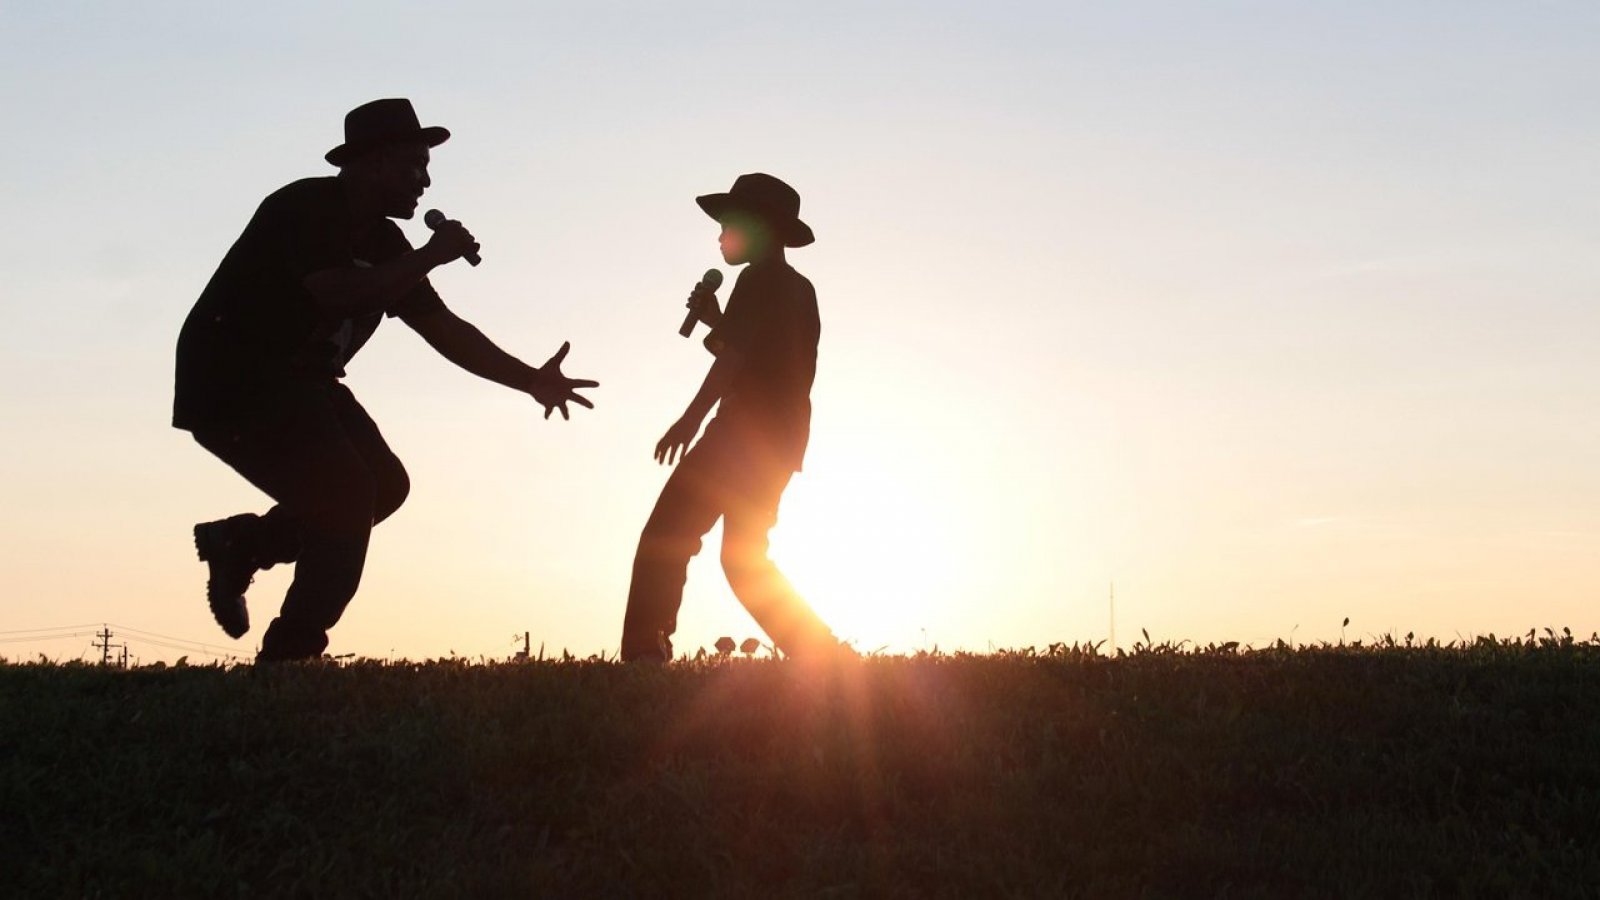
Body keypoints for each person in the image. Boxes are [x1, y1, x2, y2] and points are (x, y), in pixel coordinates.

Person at [173, 98, 597, 661]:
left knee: (383, 486)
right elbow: (335, 289)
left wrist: (531, 381)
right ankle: (291, 655)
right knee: (347, 495)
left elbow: (443, 329)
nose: (424, 181)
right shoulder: (304, 207)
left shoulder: (386, 245)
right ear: (371, 163)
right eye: (413, 165)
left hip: (304, 384)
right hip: (235, 381)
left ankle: (242, 544)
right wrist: (429, 256)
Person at [620, 173, 843, 663]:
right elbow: (760, 356)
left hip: (741, 437)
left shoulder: (759, 279)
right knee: (743, 559)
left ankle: (643, 654)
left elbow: (734, 362)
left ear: (760, 228)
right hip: (780, 443)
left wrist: (689, 421)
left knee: (666, 536)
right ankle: (822, 654)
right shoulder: (794, 288)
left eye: (730, 223)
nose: (721, 234)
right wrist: (716, 320)